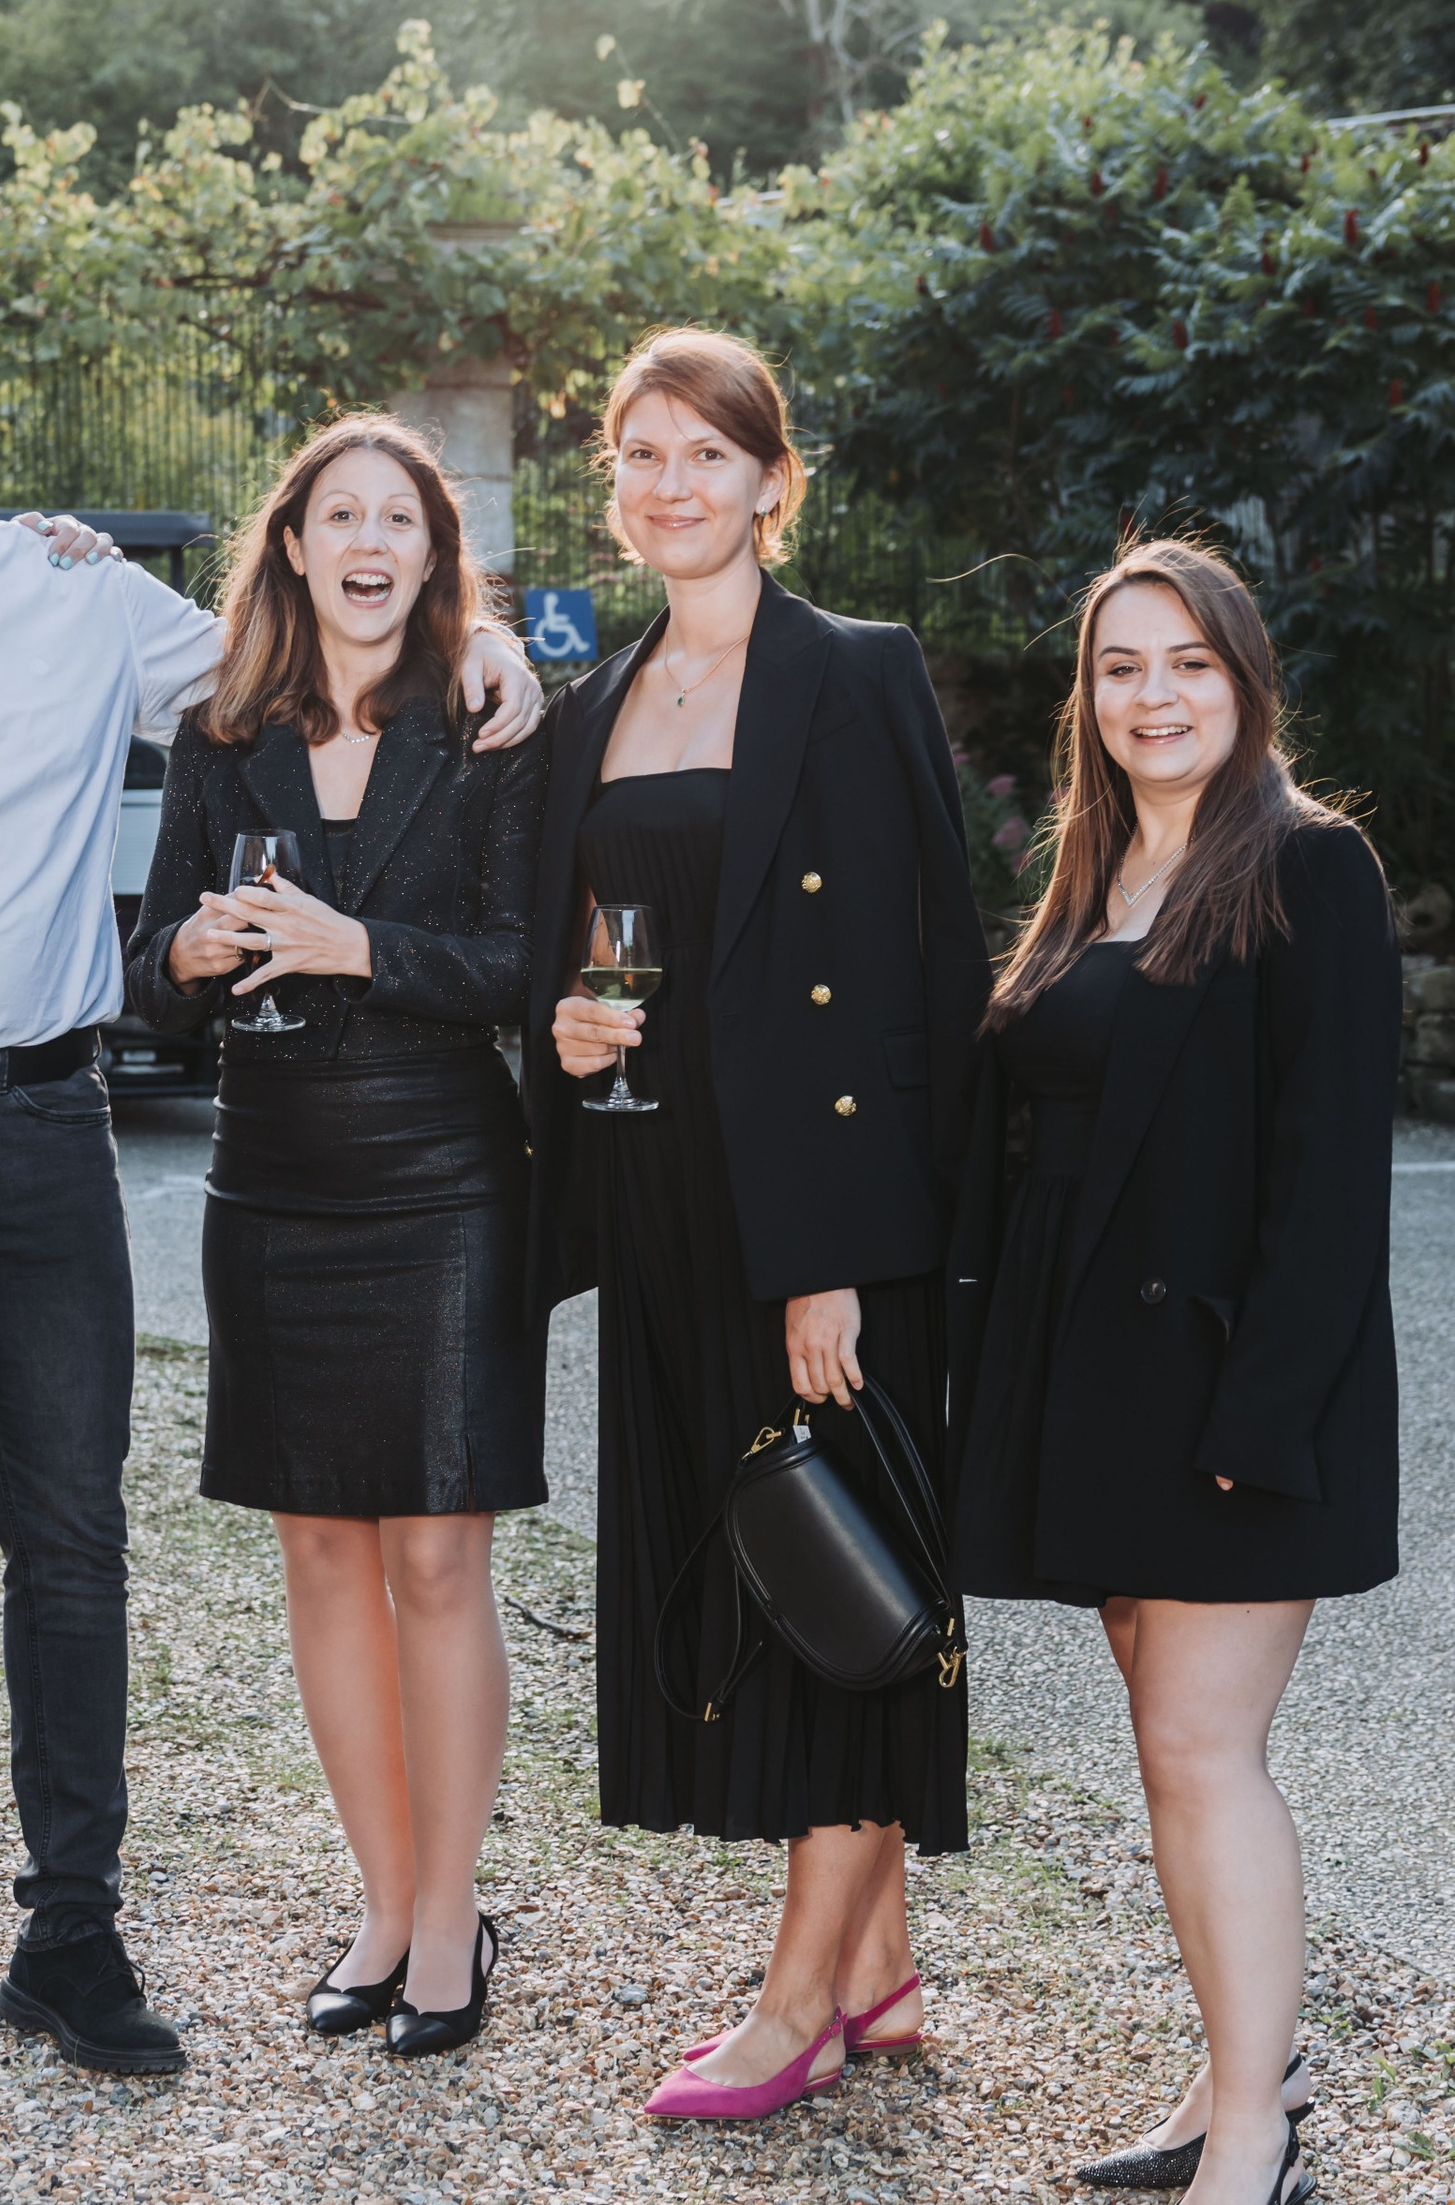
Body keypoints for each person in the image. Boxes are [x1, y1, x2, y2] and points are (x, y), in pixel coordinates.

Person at [0, 264, 543, 2087]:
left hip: (43, 1127)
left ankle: (72, 1940)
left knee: (72, 1546)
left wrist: (483, 638)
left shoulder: (86, 600)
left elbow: (298, 657)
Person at [523, 328, 990, 2122]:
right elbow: (592, 959)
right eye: (640, 455)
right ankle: (875, 1969)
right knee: (759, 1574)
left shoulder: (855, 676)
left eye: (705, 454)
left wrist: (845, 1259)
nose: (669, 484)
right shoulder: (601, 704)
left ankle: (796, 2003)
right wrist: (568, 1024)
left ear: (772, 483)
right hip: (659, 1205)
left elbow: (914, 974)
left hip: (820, 1227)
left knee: (848, 1585)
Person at [947, 538, 1400, 2205]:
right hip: (1090, 1381)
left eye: (1187, 663)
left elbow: (1333, 1179)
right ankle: (1233, 2077)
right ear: (1090, 697)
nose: (1153, 696)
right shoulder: (1087, 875)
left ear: (1247, 680)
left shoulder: (1310, 868)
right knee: (1165, 1750)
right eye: (1121, 667)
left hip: (1228, 1391)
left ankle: (1260, 2140)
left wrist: (1259, 1420)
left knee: (1208, 1752)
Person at [123, 416, 546, 2059]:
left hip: (443, 1176)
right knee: (319, 1553)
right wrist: (208, 948)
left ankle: (453, 1919)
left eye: (402, 520)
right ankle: (380, 1901)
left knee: (437, 1555)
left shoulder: (495, 724)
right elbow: (149, 960)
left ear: (435, 558)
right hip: (273, 1178)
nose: (369, 543)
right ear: (292, 546)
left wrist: (354, 942)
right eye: (338, 516)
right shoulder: (218, 729)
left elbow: (521, 964)